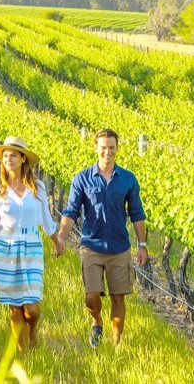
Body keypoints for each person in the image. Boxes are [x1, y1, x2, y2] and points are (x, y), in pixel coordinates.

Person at [59, 128, 148, 348]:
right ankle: (97, 321)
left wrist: (142, 245)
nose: (107, 151)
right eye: (103, 148)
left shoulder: (127, 179)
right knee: (91, 295)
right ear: (96, 149)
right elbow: (71, 210)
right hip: (91, 245)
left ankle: (117, 345)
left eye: (111, 147)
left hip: (119, 247)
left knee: (119, 298)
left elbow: (137, 213)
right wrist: (61, 236)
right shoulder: (82, 179)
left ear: (117, 148)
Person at [0, 136, 64, 352]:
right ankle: (24, 356)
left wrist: (57, 243)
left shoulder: (37, 187)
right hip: (4, 248)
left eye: (13, 155)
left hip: (31, 247)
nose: (9, 159)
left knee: (31, 308)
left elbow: (46, 218)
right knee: (14, 308)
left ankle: (33, 330)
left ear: (23, 159)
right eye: (5, 156)